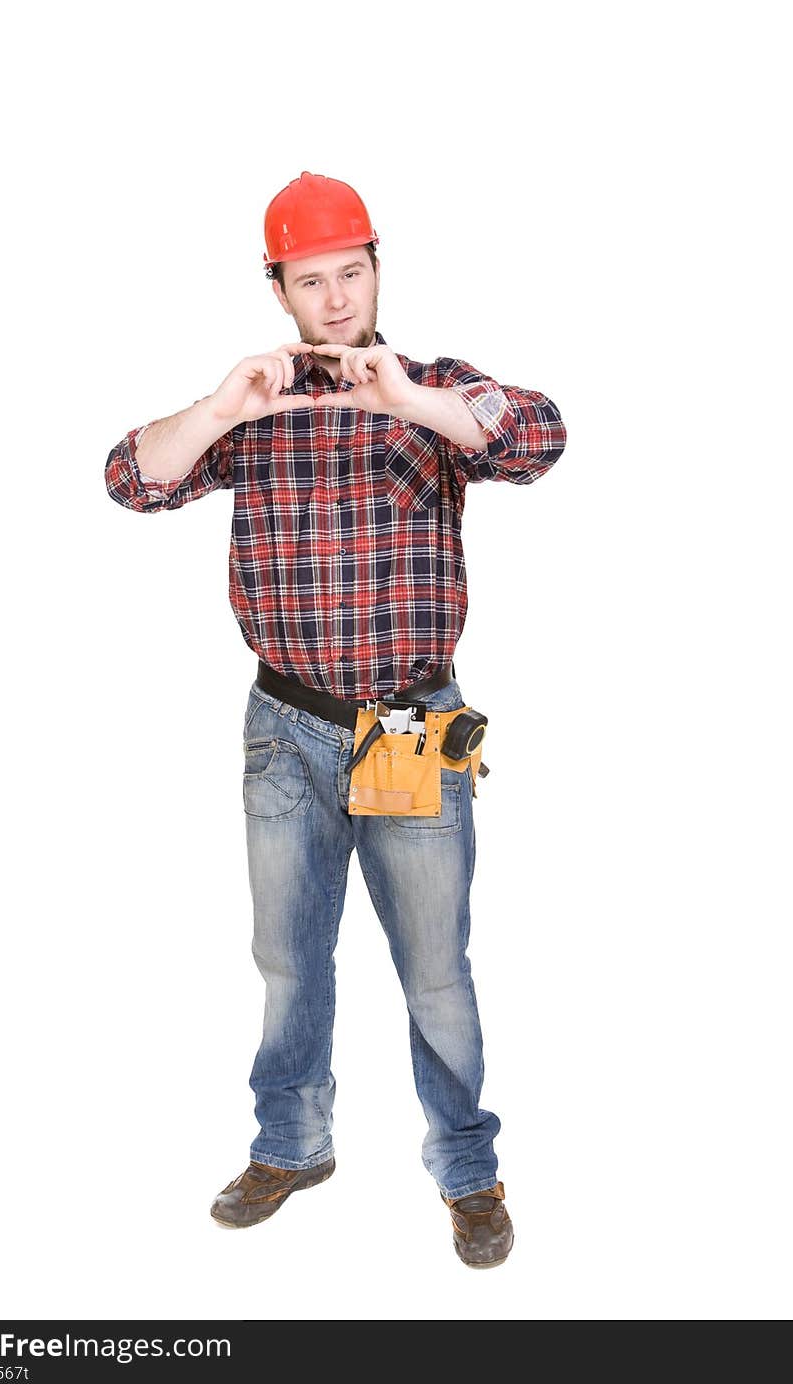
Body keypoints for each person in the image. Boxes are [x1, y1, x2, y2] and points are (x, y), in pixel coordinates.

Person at [104, 170, 567, 1268]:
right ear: (280, 289)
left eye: (351, 273)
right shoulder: (256, 404)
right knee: (286, 956)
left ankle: (466, 1164)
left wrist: (406, 399)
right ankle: (292, 1142)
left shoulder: (434, 388)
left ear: (374, 271)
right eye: (311, 280)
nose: (336, 297)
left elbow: (538, 437)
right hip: (286, 726)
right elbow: (131, 478)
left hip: (406, 728)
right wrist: (220, 408)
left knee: (435, 965)